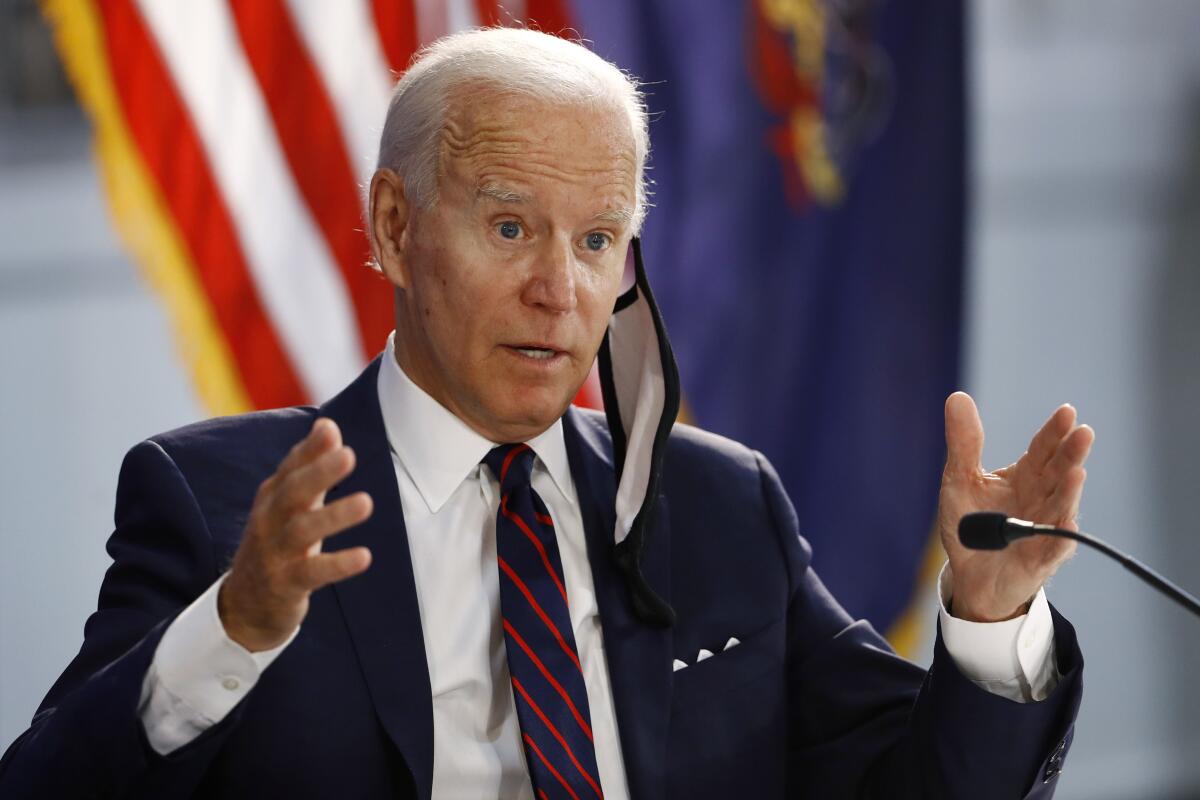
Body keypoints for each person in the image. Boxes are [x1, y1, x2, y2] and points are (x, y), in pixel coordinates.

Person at [0, 27, 1092, 799]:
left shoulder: (717, 505)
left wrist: (990, 619)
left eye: (598, 241)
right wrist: (231, 628)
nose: (560, 292)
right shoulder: (224, 509)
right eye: (513, 227)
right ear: (393, 227)